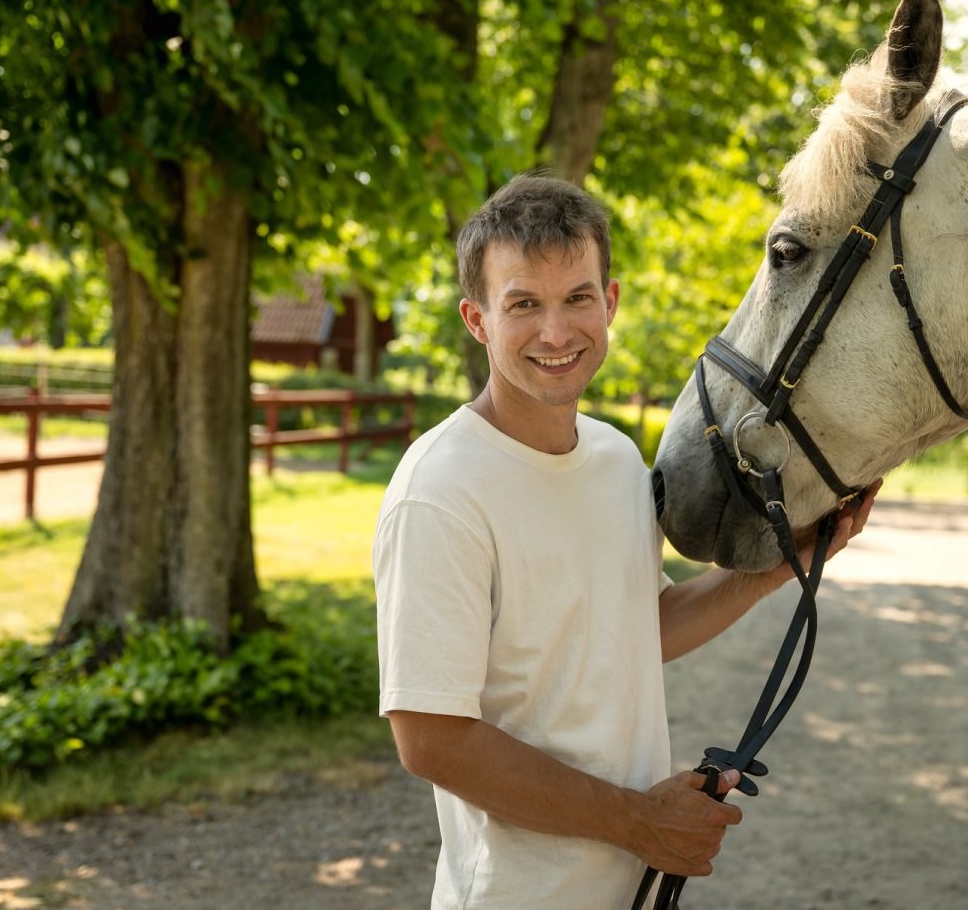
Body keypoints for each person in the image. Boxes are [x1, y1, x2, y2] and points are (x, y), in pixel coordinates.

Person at [373, 174, 876, 909]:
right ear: (476, 320)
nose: (556, 331)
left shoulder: (613, 459)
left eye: (577, 297)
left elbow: (641, 627)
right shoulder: (439, 492)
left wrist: (780, 563)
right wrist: (639, 821)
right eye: (523, 305)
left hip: (633, 889)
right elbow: (431, 738)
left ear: (608, 302)